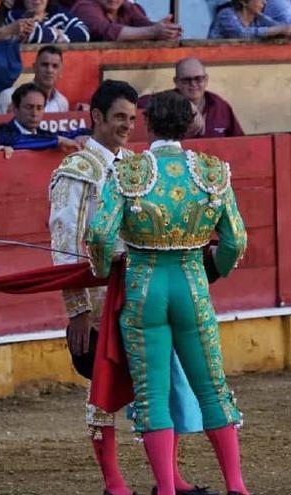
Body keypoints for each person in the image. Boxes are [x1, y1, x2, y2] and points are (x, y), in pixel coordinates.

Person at [49, 80, 213, 495]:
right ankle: (115, 483)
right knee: (105, 391)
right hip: (102, 301)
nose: (127, 125)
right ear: (97, 117)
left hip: (142, 293)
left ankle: (169, 479)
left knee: (160, 387)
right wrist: (78, 313)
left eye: (131, 118)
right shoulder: (76, 171)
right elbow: (66, 245)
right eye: (119, 117)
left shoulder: (136, 167)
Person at [86, 91, 250, 495]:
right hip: (192, 284)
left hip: (144, 288)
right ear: (190, 125)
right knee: (211, 387)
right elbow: (235, 240)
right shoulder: (212, 171)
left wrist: (105, 269)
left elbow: (101, 235)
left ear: (148, 123)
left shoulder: (129, 172)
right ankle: (236, 485)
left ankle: (167, 488)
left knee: (153, 394)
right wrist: (215, 270)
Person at [138, 58, 244, 139]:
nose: (193, 84)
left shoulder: (220, 106)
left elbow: (239, 141)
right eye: (186, 80)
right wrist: (186, 105)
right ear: (176, 82)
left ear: (206, 80)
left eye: (198, 79)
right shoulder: (167, 101)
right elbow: (140, 103)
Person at [0, 82, 85, 154]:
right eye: (29, 107)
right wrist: (57, 141)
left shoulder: (43, 134)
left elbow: (68, 134)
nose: (34, 113)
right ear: (15, 108)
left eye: (39, 108)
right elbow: (18, 141)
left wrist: (85, 135)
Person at [0, 46, 69, 115]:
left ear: (60, 72)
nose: (49, 70)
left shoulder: (62, 103)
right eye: (44, 65)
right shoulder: (9, 96)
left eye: (55, 66)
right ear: (34, 67)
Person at [68, 0, 181, 41]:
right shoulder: (84, 6)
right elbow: (106, 31)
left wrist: (167, 30)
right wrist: (153, 32)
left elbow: (145, 25)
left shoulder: (129, 7)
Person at [208, 0, 291, 40]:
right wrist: (278, 30)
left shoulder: (259, 18)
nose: (264, 2)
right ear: (244, 1)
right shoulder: (226, 14)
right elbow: (242, 34)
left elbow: (278, 26)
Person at [6, 0, 90, 43]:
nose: (37, 1)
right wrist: (56, 33)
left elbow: (84, 31)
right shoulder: (13, 15)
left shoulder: (58, 14)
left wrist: (64, 37)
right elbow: (32, 34)